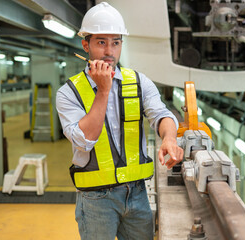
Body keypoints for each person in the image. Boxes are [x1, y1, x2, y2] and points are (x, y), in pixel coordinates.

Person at [56, 2, 183, 240]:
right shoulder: (68, 93)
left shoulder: (138, 82)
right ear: (86, 45)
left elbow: (161, 114)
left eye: (116, 42)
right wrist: (103, 91)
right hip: (95, 200)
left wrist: (170, 138)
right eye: (101, 42)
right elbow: (84, 141)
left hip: (137, 195)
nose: (109, 51)